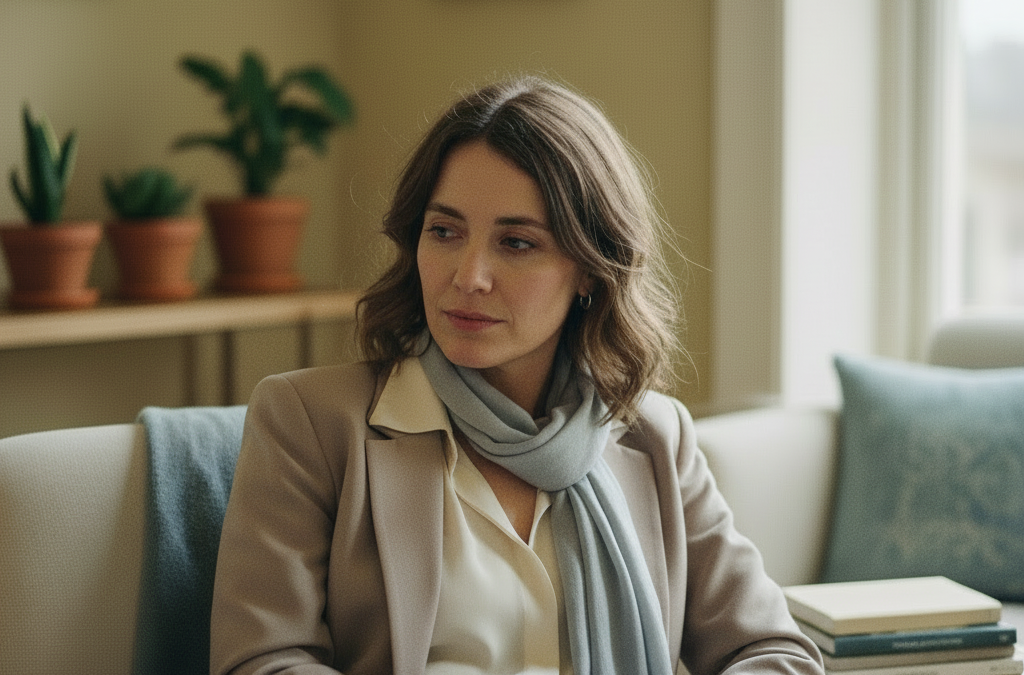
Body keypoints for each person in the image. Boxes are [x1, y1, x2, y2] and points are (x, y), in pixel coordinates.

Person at [210, 76, 824, 675]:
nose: (468, 275)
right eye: (444, 231)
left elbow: (774, 651)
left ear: (589, 269)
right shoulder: (310, 421)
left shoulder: (656, 437)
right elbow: (264, 659)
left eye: (517, 243)